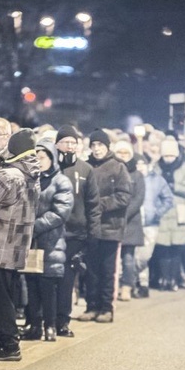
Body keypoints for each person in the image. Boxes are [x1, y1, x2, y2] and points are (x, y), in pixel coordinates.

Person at [0, 129, 40, 361]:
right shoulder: (32, 173)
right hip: (15, 246)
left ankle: (9, 343)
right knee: (5, 295)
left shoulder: (8, 176)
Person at [20, 140, 73, 342]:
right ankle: (34, 324)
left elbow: (60, 213)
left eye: (43, 157)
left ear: (52, 158)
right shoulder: (30, 179)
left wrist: (33, 227)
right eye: (36, 157)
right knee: (31, 284)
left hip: (51, 243)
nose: (39, 161)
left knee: (48, 286)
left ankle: (50, 325)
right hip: (31, 243)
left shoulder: (61, 182)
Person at [79, 129, 132, 324]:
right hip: (90, 227)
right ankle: (91, 306)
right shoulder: (85, 166)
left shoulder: (118, 167)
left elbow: (124, 196)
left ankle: (106, 307)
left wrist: (99, 204)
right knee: (90, 269)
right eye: (93, 145)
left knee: (107, 270)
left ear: (107, 146)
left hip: (110, 226)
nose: (96, 149)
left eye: (100, 145)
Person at [53, 125, 100, 337]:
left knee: (66, 280)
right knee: (46, 279)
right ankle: (43, 320)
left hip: (75, 233)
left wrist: (93, 233)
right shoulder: (49, 167)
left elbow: (93, 204)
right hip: (50, 232)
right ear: (57, 145)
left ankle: (62, 320)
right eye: (65, 142)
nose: (69, 146)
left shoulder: (86, 170)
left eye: (73, 142)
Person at [153, 137, 185, 291]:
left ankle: (174, 278)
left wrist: (175, 186)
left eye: (171, 156)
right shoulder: (156, 168)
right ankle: (164, 278)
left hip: (179, 210)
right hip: (163, 209)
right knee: (163, 246)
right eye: (166, 156)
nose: (169, 159)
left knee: (177, 246)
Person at [135, 153, 173, 297]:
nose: (140, 167)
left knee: (144, 255)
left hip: (151, 223)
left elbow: (168, 199)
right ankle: (141, 284)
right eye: (137, 164)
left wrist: (158, 212)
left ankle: (140, 281)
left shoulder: (157, 180)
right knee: (133, 255)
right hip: (134, 222)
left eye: (142, 164)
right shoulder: (131, 178)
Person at [112, 140, 145, 301]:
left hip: (131, 221)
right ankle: (114, 286)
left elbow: (139, 198)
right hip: (113, 219)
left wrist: (125, 213)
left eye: (126, 153)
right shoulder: (111, 171)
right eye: (120, 153)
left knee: (128, 258)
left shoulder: (137, 175)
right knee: (113, 258)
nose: (123, 156)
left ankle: (127, 286)